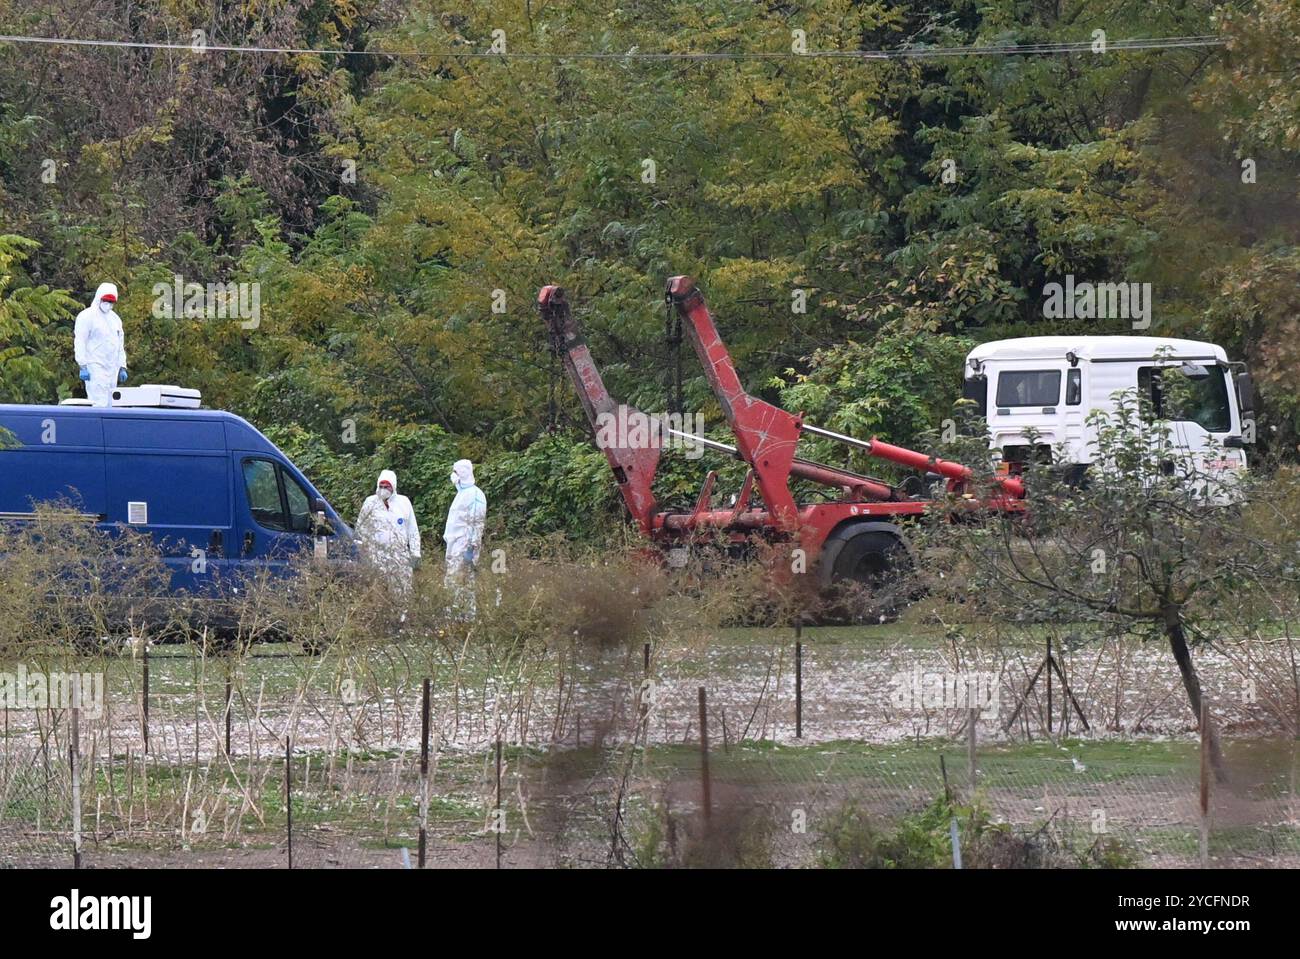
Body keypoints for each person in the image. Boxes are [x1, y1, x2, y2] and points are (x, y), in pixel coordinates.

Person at [355, 469, 422, 596]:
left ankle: (402, 616)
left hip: (400, 557)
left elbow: (412, 530)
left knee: (402, 592)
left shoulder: (403, 503)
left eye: (387, 486)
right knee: (377, 592)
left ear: (393, 487)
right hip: (376, 556)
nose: (384, 489)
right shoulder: (370, 502)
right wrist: (363, 552)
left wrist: (415, 553)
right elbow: (361, 529)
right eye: (381, 486)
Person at [443, 459, 487, 617]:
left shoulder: (476, 495)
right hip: (454, 546)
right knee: (452, 582)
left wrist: (471, 548)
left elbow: (477, 523)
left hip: (464, 546)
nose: (453, 476)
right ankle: (452, 615)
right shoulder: (462, 494)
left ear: (463, 473)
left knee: (464, 582)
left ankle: (466, 617)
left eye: (455, 472)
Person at [74, 282, 127, 408]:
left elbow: (120, 345)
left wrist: (122, 366)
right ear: (99, 298)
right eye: (106, 300)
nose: (108, 304)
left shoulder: (115, 320)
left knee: (112, 402)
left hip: (112, 366)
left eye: (111, 301)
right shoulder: (87, 316)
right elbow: (80, 341)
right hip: (95, 365)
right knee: (98, 401)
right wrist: (83, 365)